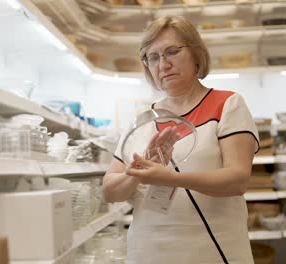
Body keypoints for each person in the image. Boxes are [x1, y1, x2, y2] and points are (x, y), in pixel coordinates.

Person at [102, 16, 259, 264]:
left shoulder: (227, 104)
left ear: (196, 54)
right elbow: (109, 191)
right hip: (148, 252)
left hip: (213, 251)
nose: (163, 64)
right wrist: (134, 172)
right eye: (152, 57)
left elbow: (237, 179)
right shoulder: (142, 120)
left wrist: (171, 178)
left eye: (171, 52)